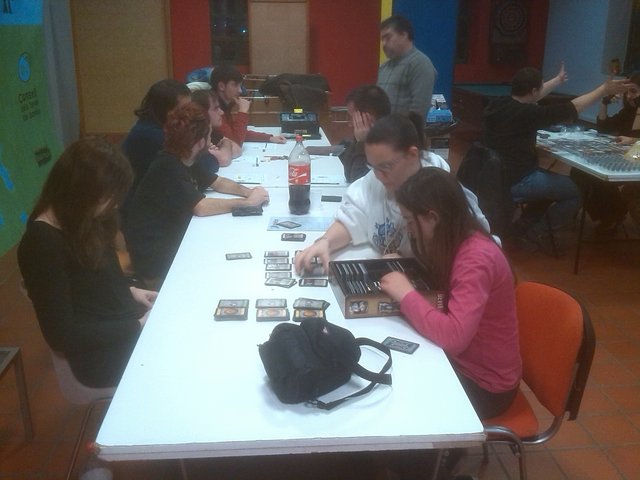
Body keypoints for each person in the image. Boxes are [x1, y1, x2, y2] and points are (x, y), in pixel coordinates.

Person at [379, 167, 521, 420]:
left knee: (392, 398)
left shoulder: (476, 259)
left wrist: (406, 294)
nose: (409, 230)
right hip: (462, 364)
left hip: (485, 386)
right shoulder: (456, 240)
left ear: (432, 217)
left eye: (410, 221)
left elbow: (454, 338)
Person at [18, 136, 157, 389]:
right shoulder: (41, 243)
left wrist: (131, 291)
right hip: (99, 356)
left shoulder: (83, 218)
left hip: (118, 325)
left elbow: (89, 283)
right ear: (81, 191)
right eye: (109, 196)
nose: (115, 204)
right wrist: (136, 326)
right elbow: (62, 335)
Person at [294, 113, 488, 275]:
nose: (379, 176)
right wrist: (325, 242)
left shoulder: (443, 193)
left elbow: (475, 258)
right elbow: (353, 217)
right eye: (373, 167)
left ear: (412, 155)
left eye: (386, 167)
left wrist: (410, 264)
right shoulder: (377, 178)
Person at [483, 64, 633, 248]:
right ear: (534, 91)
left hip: (494, 176)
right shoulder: (528, 113)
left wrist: (557, 81)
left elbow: (532, 94)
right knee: (575, 193)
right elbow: (573, 108)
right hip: (517, 180)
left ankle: (524, 225)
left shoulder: (500, 104)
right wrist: (603, 90)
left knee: (555, 183)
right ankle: (536, 234)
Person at [124, 102, 269, 284]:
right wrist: (248, 204)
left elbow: (218, 182)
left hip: (171, 238)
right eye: (209, 135)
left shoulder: (185, 157)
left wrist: (249, 192)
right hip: (154, 256)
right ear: (200, 142)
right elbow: (200, 207)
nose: (211, 140)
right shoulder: (167, 166)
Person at [572, 72, 640, 234]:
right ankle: (610, 214)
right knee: (580, 172)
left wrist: (632, 140)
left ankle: (613, 214)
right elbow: (603, 128)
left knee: (599, 177)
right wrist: (604, 103)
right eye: (628, 92)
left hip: (635, 161)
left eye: (634, 91)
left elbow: (635, 138)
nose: (630, 96)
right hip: (627, 158)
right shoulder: (628, 111)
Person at [121, 79, 191, 213]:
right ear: (165, 111)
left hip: (154, 200)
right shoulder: (152, 135)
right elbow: (201, 166)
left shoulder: (157, 127)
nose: (189, 115)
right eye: (183, 110)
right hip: (139, 211)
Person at [377, 15, 437, 120]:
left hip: (404, 130)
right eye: (382, 39)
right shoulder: (384, 67)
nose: (384, 43)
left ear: (404, 35)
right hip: (382, 129)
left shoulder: (420, 63)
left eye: (388, 37)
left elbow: (418, 112)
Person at [209, 65, 287, 146]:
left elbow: (237, 132)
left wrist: (269, 138)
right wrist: (242, 111)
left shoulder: (223, 103)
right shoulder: (212, 108)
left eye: (240, 85)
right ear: (221, 86)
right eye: (235, 85)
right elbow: (234, 143)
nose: (240, 91)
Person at [339, 84, 391, 183]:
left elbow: (358, 182)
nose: (350, 123)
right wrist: (358, 140)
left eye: (352, 117)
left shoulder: (389, 145)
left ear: (369, 118)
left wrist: (362, 142)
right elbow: (348, 175)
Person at [191, 88, 242, 172]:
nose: (221, 112)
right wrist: (225, 147)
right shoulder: (195, 135)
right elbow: (224, 159)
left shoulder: (211, 131)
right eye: (215, 109)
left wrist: (225, 143)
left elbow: (237, 150)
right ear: (201, 112)